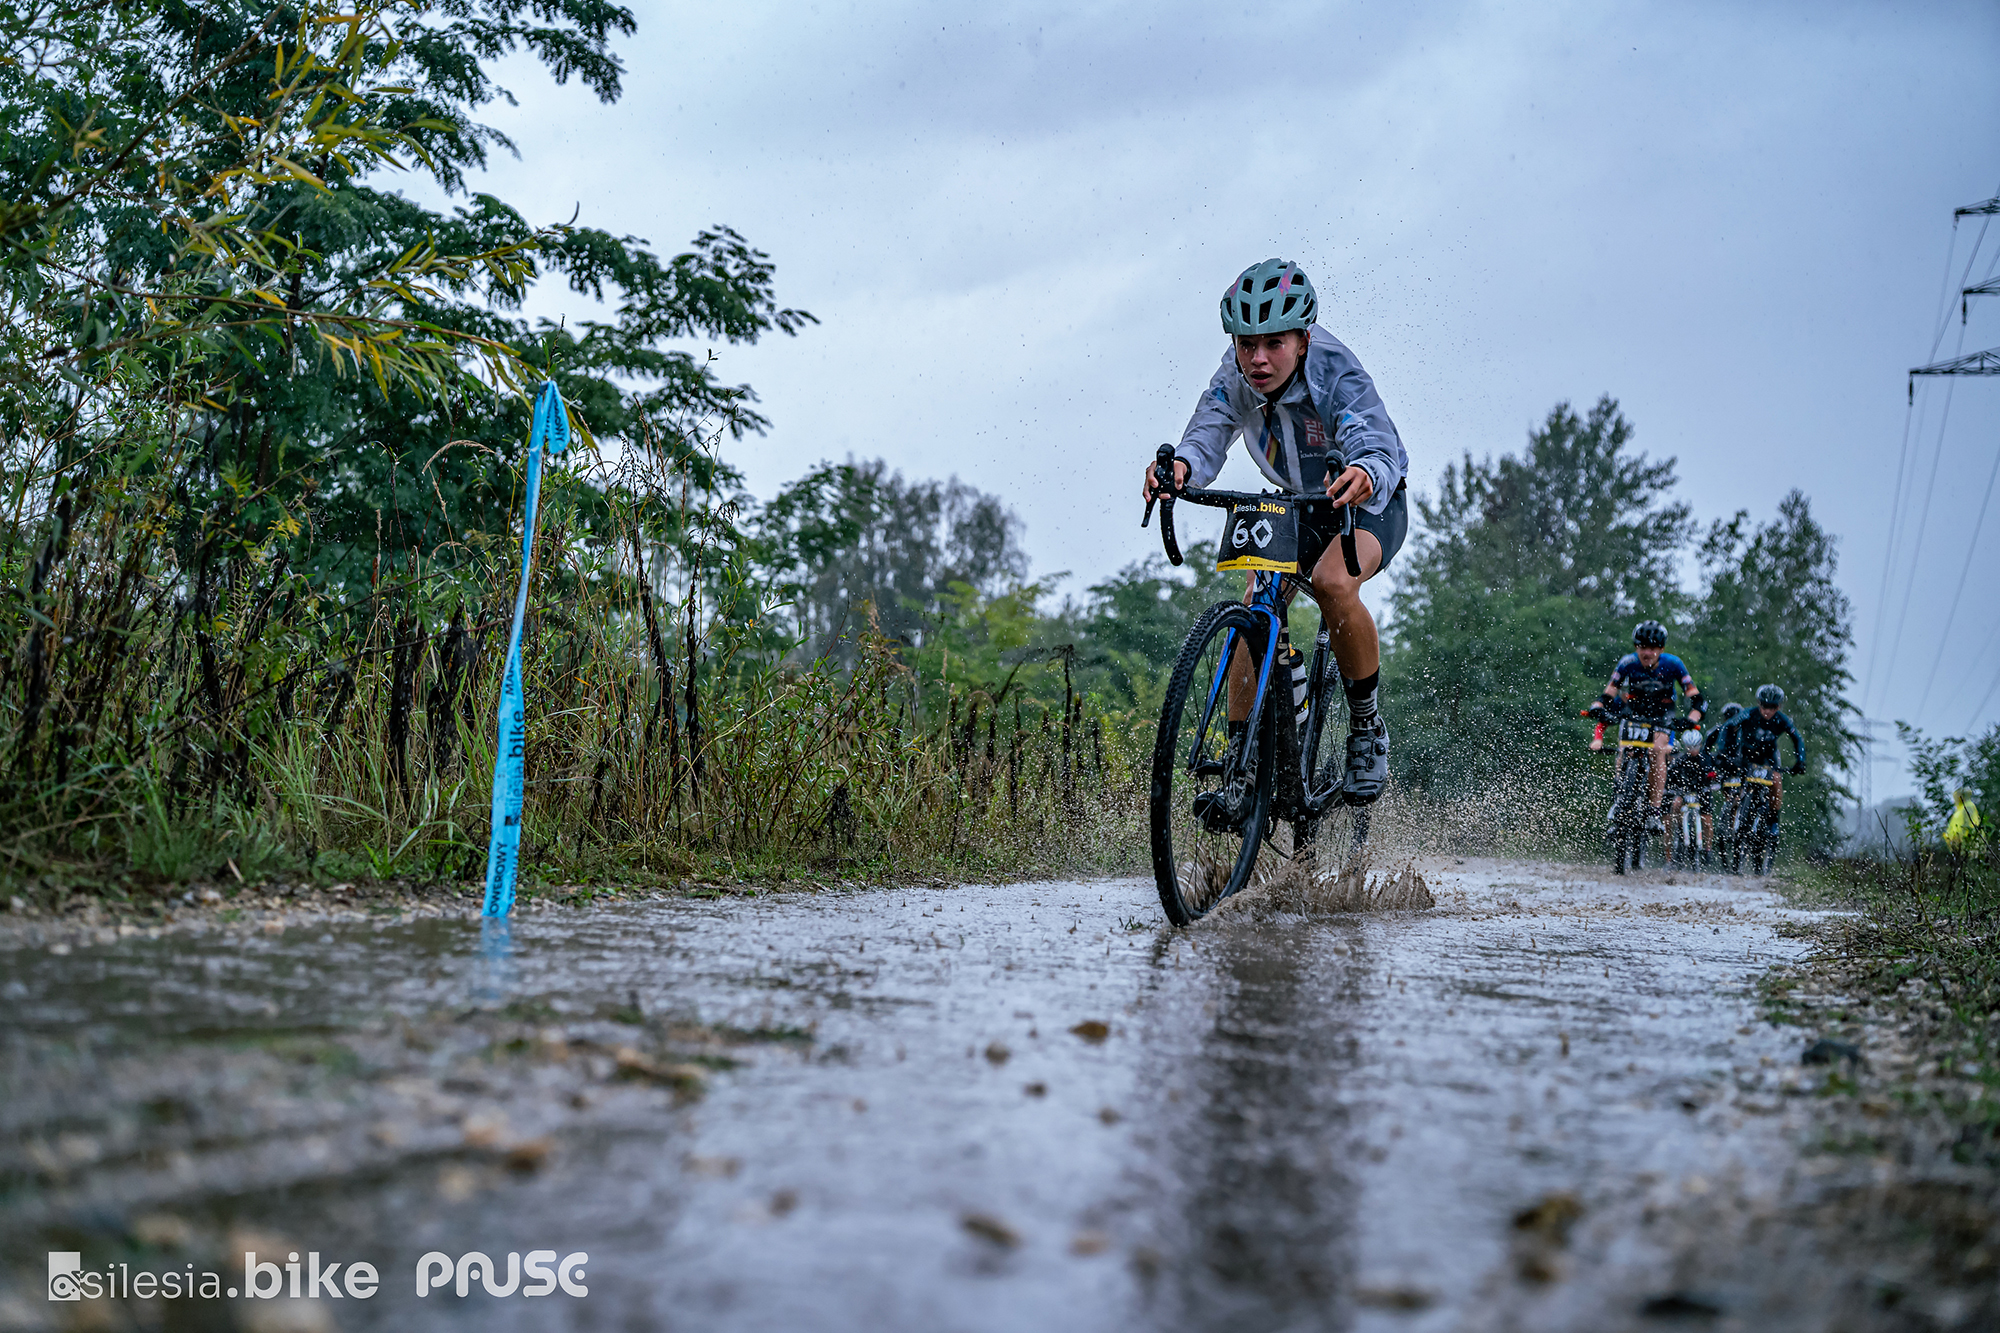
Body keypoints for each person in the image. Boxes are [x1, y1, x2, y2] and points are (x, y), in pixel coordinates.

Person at [1141, 258, 1409, 803]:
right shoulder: (1236, 374)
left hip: (1365, 496)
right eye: (1246, 344)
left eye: (1274, 344)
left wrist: (1365, 471)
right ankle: (1243, 767)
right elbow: (1208, 430)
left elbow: (1374, 442)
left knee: (1333, 582)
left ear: (1303, 340)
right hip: (1296, 500)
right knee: (1257, 605)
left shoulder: (1337, 372)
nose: (1258, 359)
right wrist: (1181, 468)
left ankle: (1366, 729)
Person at [1593, 620, 1706, 831]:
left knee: (1657, 752)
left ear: (1661, 649)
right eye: (1643, 647)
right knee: (1625, 748)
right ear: (1636, 647)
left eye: (1653, 648)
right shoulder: (1627, 663)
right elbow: (1610, 691)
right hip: (1635, 711)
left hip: (1662, 714)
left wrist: (1692, 717)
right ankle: (1619, 797)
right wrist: (1598, 706)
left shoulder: (1674, 664)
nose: (1647, 653)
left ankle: (1654, 810)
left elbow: (1697, 698)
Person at [1724, 684, 1805, 838]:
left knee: (1776, 779)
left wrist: (1800, 761)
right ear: (1758, 703)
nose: (1767, 711)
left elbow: (1797, 738)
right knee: (1736, 784)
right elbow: (1728, 727)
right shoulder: (1748, 714)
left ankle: (1773, 820)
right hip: (1746, 754)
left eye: (1772, 707)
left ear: (1778, 707)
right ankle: (1731, 816)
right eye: (1764, 706)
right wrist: (1726, 753)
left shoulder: (1782, 720)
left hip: (1768, 757)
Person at [1665, 727, 1715, 864]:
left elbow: (1713, 774)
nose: (1692, 750)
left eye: (1695, 747)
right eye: (1689, 747)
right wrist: (1672, 790)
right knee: (1675, 804)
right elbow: (1671, 777)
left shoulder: (1706, 759)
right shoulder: (1680, 760)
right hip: (1684, 792)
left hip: (1702, 792)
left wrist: (1713, 780)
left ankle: (1708, 848)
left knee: (1707, 818)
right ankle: (1679, 830)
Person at [1943, 787, 1986, 856]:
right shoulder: (1960, 809)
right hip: (1960, 845)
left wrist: (1961, 839)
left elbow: (1968, 825)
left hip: (1967, 845)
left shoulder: (1968, 807)